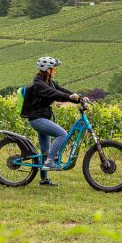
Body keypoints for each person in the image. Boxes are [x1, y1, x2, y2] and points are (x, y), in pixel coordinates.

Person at [20, 56, 88, 187]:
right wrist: (68, 97)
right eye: (53, 68)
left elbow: (62, 91)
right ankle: (50, 161)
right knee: (62, 134)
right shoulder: (39, 84)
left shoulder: (49, 82)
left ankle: (44, 180)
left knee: (45, 150)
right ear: (47, 70)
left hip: (43, 118)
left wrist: (78, 98)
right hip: (37, 119)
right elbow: (54, 94)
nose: (55, 71)